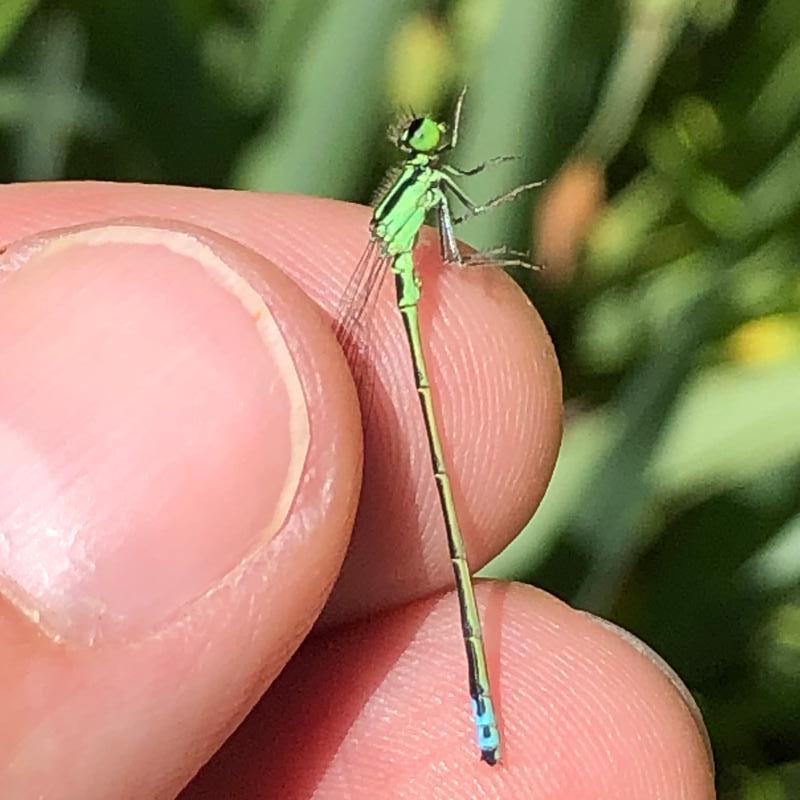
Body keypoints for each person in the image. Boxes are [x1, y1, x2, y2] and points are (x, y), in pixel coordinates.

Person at [0, 182, 715, 799]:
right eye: (422, 142)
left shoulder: (419, 191)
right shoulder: (419, 201)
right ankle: (482, 709)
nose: (429, 143)